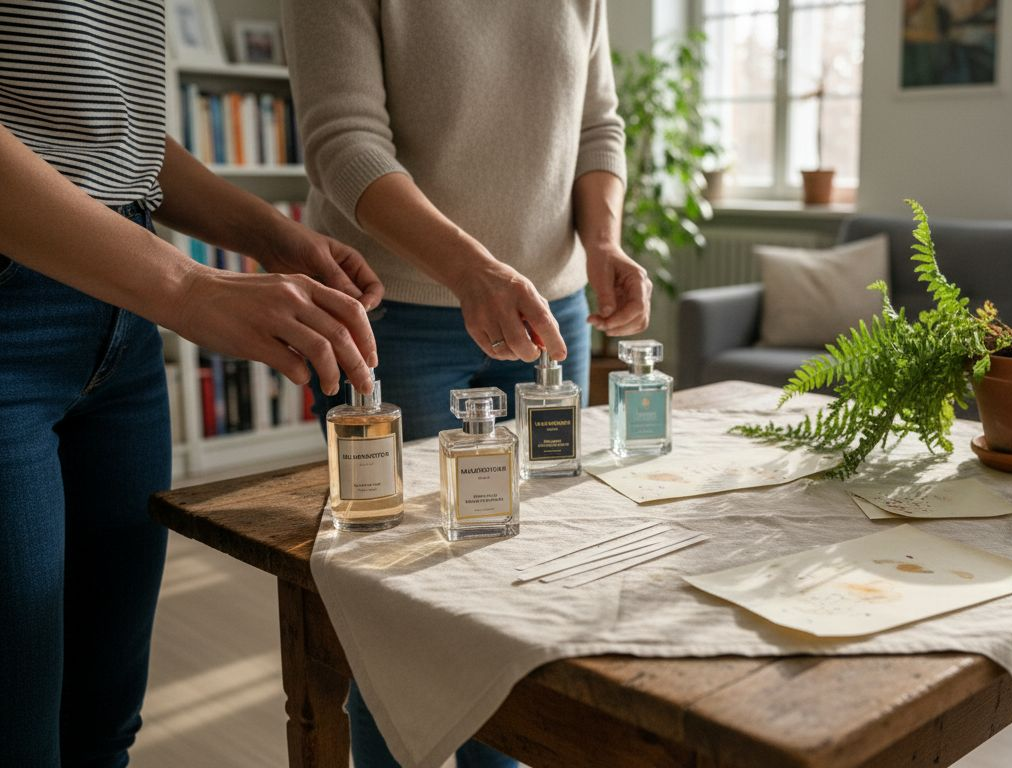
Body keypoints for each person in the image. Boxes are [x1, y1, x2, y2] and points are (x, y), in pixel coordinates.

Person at [0, 3, 382, 764]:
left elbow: (115, 135)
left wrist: (276, 239)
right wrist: (189, 288)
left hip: (121, 316)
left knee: (104, 724)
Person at [282, 1, 651, 765]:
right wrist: (471, 271)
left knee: (525, 581)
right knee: (397, 598)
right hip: (396, 311)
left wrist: (604, 242)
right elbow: (343, 143)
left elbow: (596, 126)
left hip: (553, 309)